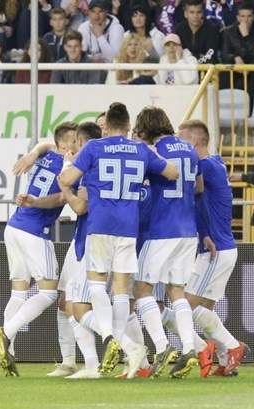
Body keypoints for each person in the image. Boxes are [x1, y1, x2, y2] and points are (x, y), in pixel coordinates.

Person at [59, 102, 178, 376]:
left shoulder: (93, 148)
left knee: (97, 283)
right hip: (129, 227)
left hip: (100, 224)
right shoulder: (139, 150)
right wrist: (152, 156)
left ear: (106, 127)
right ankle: (125, 349)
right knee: (122, 290)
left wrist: (66, 178)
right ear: (128, 127)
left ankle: (110, 338)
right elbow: (172, 172)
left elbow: (68, 178)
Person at [0, 121, 79, 377]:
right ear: (65, 144)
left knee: (19, 292)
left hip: (14, 227)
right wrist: (39, 202)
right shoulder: (68, 165)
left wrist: (33, 152)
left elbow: (45, 144)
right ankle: (6, 333)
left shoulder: (48, 152)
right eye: (74, 140)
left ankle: (10, 351)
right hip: (34, 232)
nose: (77, 144)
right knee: (49, 293)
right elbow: (60, 198)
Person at [130, 106, 203, 378]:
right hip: (188, 228)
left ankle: (162, 347)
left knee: (141, 288)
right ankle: (188, 348)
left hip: (161, 228)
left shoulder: (151, 152)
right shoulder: (189, 148)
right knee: (176, 290)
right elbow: (199, 187)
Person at [176, 119, 247, 377]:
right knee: (204, 309)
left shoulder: (205, 167)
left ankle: (232, 345)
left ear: (194, 141)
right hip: (218, 246)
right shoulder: (214, 163)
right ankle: (224, 358)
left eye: (182, 140)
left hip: (216, 249)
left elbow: (196, 189)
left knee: (187, 306)